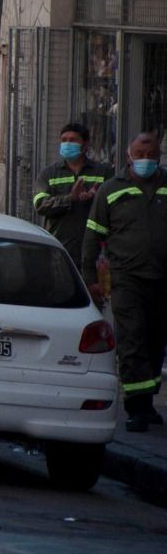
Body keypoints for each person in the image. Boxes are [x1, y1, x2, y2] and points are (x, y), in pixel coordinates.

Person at [81, 132, 167, 432]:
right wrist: (90, 279)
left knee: (156, 340)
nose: (146, 159)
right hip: (127, 278)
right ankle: (137, 407)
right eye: (140, 153)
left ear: (159, 155)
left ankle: (148, 398)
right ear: (129, 156)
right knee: (132, 340)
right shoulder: (110, 190)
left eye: (151, 153)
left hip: (161, 278)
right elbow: (92, 238)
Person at [34, 122, 114, 266]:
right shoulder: (48, 174)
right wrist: (70, 198)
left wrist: (93, 200)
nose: (67, 144)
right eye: (64, 140)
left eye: (73, 140)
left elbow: (114, 209)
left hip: (95, 250)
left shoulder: (103, 173)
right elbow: (41, 205)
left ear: (85, 145)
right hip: (59, 248)